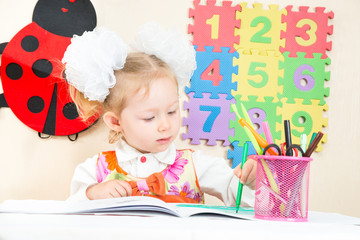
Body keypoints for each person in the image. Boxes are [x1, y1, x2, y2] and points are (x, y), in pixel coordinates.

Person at [63, 23, 256, 207]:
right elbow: (70, 211)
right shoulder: (94, 169)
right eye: (149, 118)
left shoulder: (195, 165)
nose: (165, 125)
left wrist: (250, 182)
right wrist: (93, 194)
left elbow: (240, 197)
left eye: (172, 111)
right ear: (115, 121)